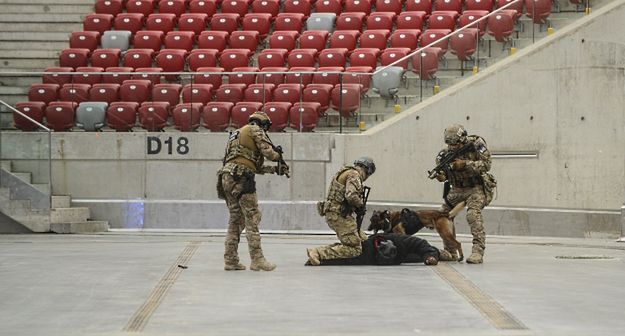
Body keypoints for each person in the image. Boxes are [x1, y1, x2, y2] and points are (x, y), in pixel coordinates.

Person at [217, 111, 290, 271]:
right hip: (242, 178)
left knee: (235, 220)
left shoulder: (237, 134)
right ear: (262, 123)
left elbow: (254, 165)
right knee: (252, 217)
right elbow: (269, 153)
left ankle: (231, 260)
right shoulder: (254, 129)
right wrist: (278, 155)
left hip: (227, 177)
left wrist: (275, 170)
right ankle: (257, 259)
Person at [430, 124, 497, 264]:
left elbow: (487, 164)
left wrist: (465, 164)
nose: (452, 146)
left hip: (477, 187)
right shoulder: (444, 155)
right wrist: (440, 176)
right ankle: (450, 251)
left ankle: (477, 251)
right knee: (442, 216)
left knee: (473, 214)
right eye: (449, 143)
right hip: (457, 189)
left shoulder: (476, 144)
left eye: (454, 143)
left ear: (462, 139)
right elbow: (445, 177)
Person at [306, 157, 376, 265]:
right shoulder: (354, 174)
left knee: (361, 239)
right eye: (368, 175)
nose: (366, 178)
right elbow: (351, 195)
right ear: (366, 169)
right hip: (339, 215)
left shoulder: (345, 172)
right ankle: (319, 253)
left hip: (335, 214)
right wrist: (360, 204)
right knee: (356, 249)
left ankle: (318, 252)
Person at [307, 233, 456, 266]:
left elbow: (421, 244)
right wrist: (322, 261)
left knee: (429, 252)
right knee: (348, 249)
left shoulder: (401, 241)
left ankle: (443, 254)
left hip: (405, 255)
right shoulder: (367, 253)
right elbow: (346, 258)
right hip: (403, 258)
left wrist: (430, 257)